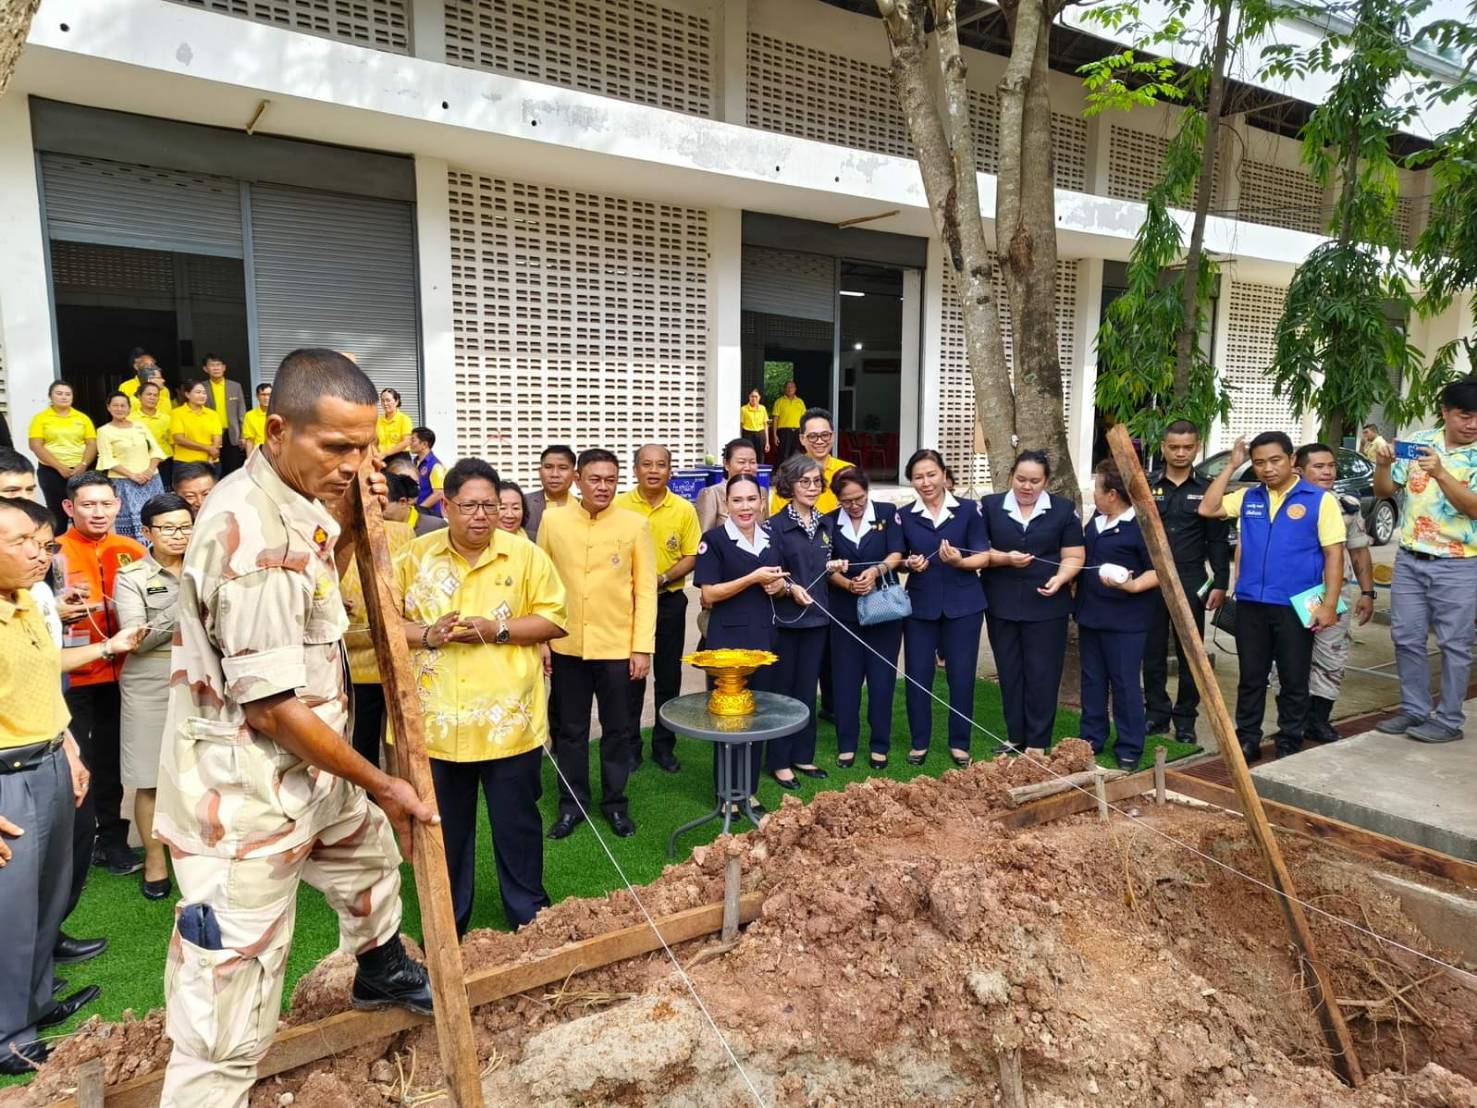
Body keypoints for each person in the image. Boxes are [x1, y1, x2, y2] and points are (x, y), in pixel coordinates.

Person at [153, 348, 437, 1108]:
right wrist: (383, 782)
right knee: (228, 1009)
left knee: (369, 857)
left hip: (308, 774)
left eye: (366, 445)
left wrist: (344, 526)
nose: (355, 462)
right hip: (243, 802)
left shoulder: (290, 496)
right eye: (336, 447)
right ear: (277, 429)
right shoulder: (252, 542)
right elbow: (273, 708)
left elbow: (314, 581)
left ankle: (378, 967)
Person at [398, 459, 567, 933]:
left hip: (509, 722)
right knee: (444, 831)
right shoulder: (414, 556)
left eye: (489, 506)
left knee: (517, 825)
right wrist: (428, 635)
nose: (480, 516)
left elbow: (555, 619)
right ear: (446, 506)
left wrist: (500, 629)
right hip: (436, 725)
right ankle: (448, 921)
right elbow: (382, 622)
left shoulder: (525, 555)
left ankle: (528, 914)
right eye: (469, 506)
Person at [0, 498, 95, 1076]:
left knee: (45, 897)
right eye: (23, 544)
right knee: (9, 911)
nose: (40, 552)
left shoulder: (27, 604)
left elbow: (41, 681)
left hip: (50, 762)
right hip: (6, 781)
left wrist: (69, 747)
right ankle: (8, 1035)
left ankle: (34, 1006)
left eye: (41, 543)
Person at [1200, 432, 1345, 761]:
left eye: (1275, 460)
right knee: (1251, 676)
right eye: (1259, 462)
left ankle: (1290, 738)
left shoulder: (1319, 500)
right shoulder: (1250, 497)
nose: (1267, 468)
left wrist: (1329, 604)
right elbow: (1209, 508)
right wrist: (1232, 466)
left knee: (1294, 677)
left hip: (1296, 605)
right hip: (1252, 602)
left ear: (1293, 460)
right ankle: (1247, 738)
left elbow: (1333, 554)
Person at [538, 448, 655, 840]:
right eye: (595, 479)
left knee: (618, 729)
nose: (603, 487)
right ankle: (571, 805)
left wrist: (642, 647)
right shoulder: (553, 521)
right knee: (570, 730)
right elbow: (541, 584)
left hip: (619, 648)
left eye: (610, 479)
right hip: (567, 645)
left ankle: (615, 805)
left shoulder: (635, 524)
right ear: (577, 480)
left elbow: (646, 592)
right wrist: (541, 640)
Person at [1373, 380, 1477, 744]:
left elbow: (1474, 509)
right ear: (1445, 411)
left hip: (1460, 563)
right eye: (1465, 415)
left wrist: (1441, 473)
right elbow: (1385, 491)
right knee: (1406, 637)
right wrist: (1383, 465)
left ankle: (1449, 719)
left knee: (1454, 643)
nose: (1473, 424)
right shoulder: (1418, 442)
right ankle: (1414, 709)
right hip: (1411, 558)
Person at [55, 472, 148, 880]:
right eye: (88, 504)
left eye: (106, 504)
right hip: (71, 677)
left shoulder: (131, 548)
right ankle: (73, 846)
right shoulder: (51, 552)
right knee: (75, 764)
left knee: (111, 763)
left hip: (123, 675)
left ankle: (113, 841)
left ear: (118, 506)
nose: (98, 512)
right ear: (68, 507)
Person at [114, 493, 194, 900]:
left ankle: (196, 856)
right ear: (146, 533)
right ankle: (155, 859)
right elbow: (137, 640)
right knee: (149, 779)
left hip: (201, 677)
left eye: (185, 527)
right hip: (150, 680)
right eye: (168, 529)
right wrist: (188, 597)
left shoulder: (206, 566)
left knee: (202, 773)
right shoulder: (130, 578)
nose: (179, 536)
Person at [980, 450, 1085, 752]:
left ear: (1046, 481)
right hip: (1001, 603)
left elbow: (1075, 555)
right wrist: (1003, 558)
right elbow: (978, 550)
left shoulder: (1063, 510)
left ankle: (1038, 741)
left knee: (1043, 673)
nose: (1027, 487)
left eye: (1035, 481)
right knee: (1010, 672)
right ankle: (1015, 737)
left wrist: (1062, 578)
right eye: (1021, 479)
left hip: (1047, 605)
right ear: (1011, 475)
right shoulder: (991, 506)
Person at [693, 473, 784, 811]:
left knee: (755, 714)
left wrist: (780, 587)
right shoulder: (714, 540)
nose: (745, 507)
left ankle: (748, 790)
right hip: (727, 643)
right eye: (737, 500)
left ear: (762, 503)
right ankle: (725, 792)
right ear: (726, 504)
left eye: (751, 500)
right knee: (729, 718)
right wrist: (752, 578)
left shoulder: (771, 538)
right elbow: (709, 594)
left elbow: (779, 582)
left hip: (765, 638)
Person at [898, 449, 992, 765]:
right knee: (917, 675)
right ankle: (919, 741)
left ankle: (959, 742)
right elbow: (898, 558)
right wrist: (910, 563)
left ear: (943, 474)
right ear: (911, 481)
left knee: (962, 675)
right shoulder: (906, 515)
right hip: (920, 607)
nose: (925, 482)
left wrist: (961, 562)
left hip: (964, 605)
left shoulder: (968, 510)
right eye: (918, 477)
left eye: (931, 474)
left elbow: (984, 555)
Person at [1142, 420, 1231, 744]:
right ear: (1163, 447)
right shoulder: (1145, 485)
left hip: (1193, 578)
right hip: (1152, 579)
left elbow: (1218, 541)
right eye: (1174, 447)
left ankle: (1185, 719)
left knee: (1190, 652)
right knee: (1151, 651)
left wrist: (1221, 581)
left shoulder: (1208, 488)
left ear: (1197, 447)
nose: (1181, 453)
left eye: (1188, 447)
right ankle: (1155, 713)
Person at [619, 445, 700, 775]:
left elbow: (692, 555)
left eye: (661, 465)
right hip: (628, 604)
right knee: (631, 676)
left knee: (667, 676)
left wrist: (663, 577)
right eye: (646, 464)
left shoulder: (683, 509)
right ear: (635, 469)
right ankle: (629, 746)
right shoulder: (618, 505)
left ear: (670, 471)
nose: (653, 470)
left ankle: (664, 746)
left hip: (669, 601)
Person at [766, 454, 843, 787]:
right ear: (789, 485)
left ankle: (802, 756)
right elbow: (771, 576)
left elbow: (825, 566)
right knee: (783, 692)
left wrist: (836, 567)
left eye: (816, 481)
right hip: (785, 620)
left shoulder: (826, 523)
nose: (812, 487)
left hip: (817, 620)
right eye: (804, 481)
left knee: (806, 691)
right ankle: (779, 761)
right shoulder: (775, 526)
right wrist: (790, 587)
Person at [1077, 460, 1158, 771]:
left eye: (1097, 489)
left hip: (1126, 620)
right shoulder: (1097, 521)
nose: (1094, 494)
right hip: (1091, 614)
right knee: (1093, 680)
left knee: (1124, 682)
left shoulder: (1139, 525)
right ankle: (1092, 737)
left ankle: (1129, 744)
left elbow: (1159, 570)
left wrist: (1134, 585)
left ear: (1112, 494)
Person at [1294, 444, 1376, 744]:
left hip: (1333, 595)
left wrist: (1368, 593)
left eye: (1330, 466)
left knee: (1330, 658)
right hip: (1291, 595)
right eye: (1318, 466)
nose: (1327, 471)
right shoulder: (1284, 503)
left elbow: (1359, 553)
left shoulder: (1347, 506)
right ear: (1299, 470)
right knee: (1286, 660)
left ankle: (1318, 720)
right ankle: (1294, 721)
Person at [826, 467, 904, 769]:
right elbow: (826, 565)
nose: (855, 506)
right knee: (845, 680)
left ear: (867, 491)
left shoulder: (886, 512)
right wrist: (847, 583)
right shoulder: (829, 522)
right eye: (847, 501)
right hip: (845, 611)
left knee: (881, 679)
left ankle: (879, 744)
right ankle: (847, 744)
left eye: (859, 499)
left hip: (883, 608)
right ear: (838, 500)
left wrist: (875, 572)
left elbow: (897, 552)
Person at [338, 490, 418, 772]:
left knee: (403, 738)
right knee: (362, 738)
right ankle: (368, 802)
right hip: (355, 653)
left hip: (399, 649)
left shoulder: (402, 532)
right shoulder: (329, 532)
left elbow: (414, 577)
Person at [96, 391, 167, 543]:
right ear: (108, 408)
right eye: (115, 405)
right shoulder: (104, 431)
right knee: (130, 527)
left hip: (151, 480)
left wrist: (148, 471)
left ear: (129, 408)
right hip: (124, 482)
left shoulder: (140, 426)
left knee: (157, 518)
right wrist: (132, 475)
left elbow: (156, 450)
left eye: (123, 405)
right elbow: (107, 459)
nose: (119, 409)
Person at [28, 381, 97, 520]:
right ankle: (57, 541)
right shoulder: (40, 418)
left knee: (83, 509)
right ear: (50, 396)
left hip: (80, 470)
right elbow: (35, 445)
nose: (64, 397)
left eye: (68, 394)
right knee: (57, 511)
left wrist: (83, 465)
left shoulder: (82, 418)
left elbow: (92, 444)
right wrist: (59, 467)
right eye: (59, 393)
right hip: (51, 471)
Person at [771, 407, 854, 516]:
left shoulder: (848, 471)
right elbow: (778, 521)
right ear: (802, 439)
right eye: (812, 436)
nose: (819, 441)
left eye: (825, 435)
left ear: (833, 436)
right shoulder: (789, 473)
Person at [697, 438, 758, 532]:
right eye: (741, 462)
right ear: (726, 464)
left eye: (752, 462)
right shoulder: (711, 494)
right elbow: (705, 537)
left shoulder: (762, 492)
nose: (748, 467)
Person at [201, 355, 248, 475]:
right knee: (211, 469)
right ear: (205, 369)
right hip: (210, 435)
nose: (216, 368)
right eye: (212, 365)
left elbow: (241, 412)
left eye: (218, 365)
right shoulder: (201, 388)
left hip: (231, 434)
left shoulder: (235, 386)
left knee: (233, 469)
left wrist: (243, 435)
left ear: (224, 368)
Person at [170, 380, 225, 476]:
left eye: (204, 393)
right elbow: (179, 439)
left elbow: (217, 438)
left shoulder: (213, 414)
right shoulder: (177, 413)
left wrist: (211, 458)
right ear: (187, 394)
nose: (202, 395)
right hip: (186, 462)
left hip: (210, 461)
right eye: (198, 392)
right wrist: (207, 448)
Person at [525, 444, 577, 542]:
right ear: (540, 472)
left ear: (574, 474)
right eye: (548, 467)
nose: (554, 474)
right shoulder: (523, 504)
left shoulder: (584, 507)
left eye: (562, 468)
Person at [135, 379, 175, 491]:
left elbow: (172, 443)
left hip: (164, 463)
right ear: (139, 396)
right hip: (140, 463)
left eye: (155, 395)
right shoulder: (130, 419)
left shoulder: (167, 419)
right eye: (148, 394)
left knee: (164, 493)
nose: (152, 397)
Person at [384, 472, 446, 536]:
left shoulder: (435, 528)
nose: (376, 512)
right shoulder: (378, 530)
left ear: (403, 502)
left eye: (382, 507)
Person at [409, 427, 445, 518]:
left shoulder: (435, 465)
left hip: (431, 515)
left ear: (424, 444)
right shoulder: (415, 462)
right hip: (419, 514)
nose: (410, 443)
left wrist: (420, 509)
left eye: (413, 440)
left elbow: (439, 493)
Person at [772, 380, 805, 460]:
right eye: (788, 387)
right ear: (784, 389)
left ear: (795, 389)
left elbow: (804, 419)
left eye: (792, 387)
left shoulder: (800, 402)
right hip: (784, 432)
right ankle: (782, 472)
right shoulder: (779, 402)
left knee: (796, 455)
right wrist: (775, 435)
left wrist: (804, 433)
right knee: (783, 455)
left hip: (797, 431)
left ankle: (794, 472)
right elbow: (775, 419)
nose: (790, 389)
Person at [377, 388, 413, 456]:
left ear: (396, 401)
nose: (385, 403)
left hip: (400, 458)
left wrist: (385, 453)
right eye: (382, 401)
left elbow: (406, 442)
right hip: (382, 457)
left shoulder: (404, 419)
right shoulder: (378, 421)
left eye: (388, 400)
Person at [241, 382, 272, 458]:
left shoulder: (280, 413)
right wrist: (249, 462)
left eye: (269, 395)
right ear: (257, 396)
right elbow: (249, 442)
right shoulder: (250, 416)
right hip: (259, 456)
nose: (266, 398)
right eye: (263, 394)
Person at [739, 388, 770, 459]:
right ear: (749, 397)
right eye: (752, 396)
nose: (754, 398)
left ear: (759, 397)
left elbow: (765, 425)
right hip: (748, 434)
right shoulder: (744, 409)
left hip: (760, 434)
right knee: (748, 454)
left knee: (760, 455)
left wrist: (767, 442)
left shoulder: (762, 408)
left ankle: (759, 470)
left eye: (756, 396)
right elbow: (741, 424)